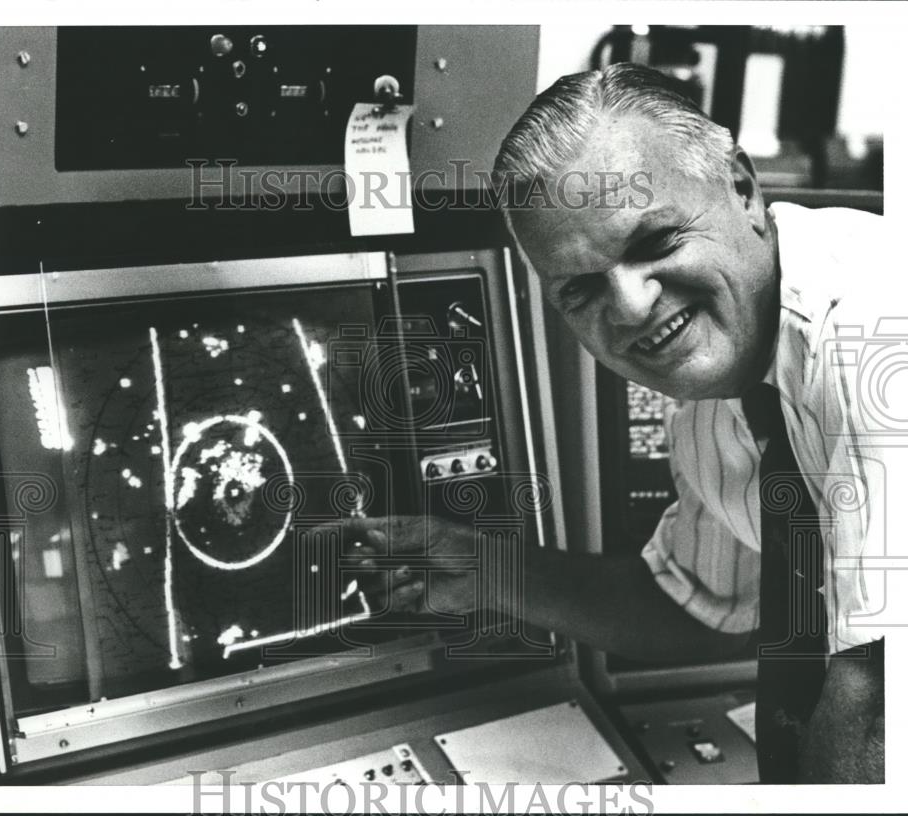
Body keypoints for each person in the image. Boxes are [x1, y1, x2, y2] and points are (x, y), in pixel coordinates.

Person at [339, 63, 889, 783]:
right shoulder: (717, 407)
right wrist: (484, 568)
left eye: (653, 244)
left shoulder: (875, 331)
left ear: (744, 190)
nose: (630, 308)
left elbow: (881, 702)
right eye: (581, 288)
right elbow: (697, 606)